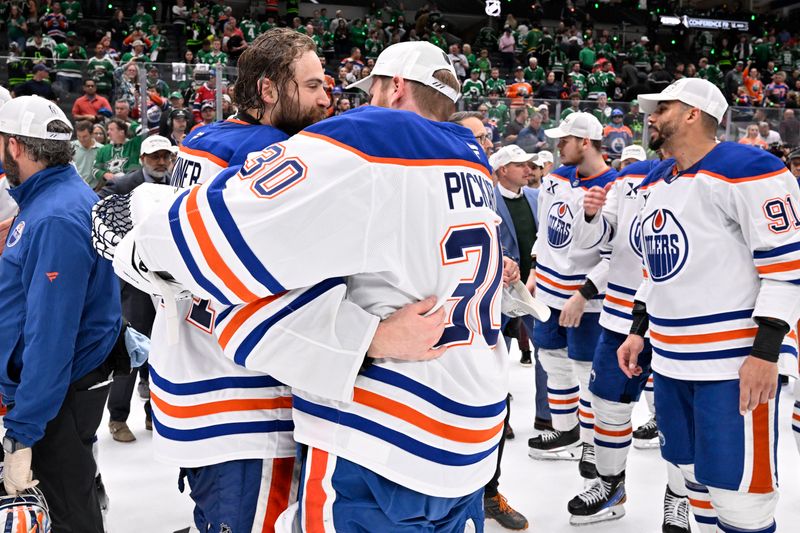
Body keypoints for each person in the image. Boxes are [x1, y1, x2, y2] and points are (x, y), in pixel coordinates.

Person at [111, 40, 506, 533]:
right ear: (268, 90)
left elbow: (190, 252)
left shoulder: (204, 141)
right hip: (454, 433)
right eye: (316, 85)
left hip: (357, 428)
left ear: (395, 88)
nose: (331, 101)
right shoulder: (473, 159)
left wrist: (137, 227)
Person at [618, 77, 800, 533]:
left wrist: (765, 354)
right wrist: (639, 329)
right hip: (672, 360)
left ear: (693, 113)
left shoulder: (750, 168)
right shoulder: (657, 178)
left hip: (732, 365)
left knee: (740, 495)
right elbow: (655, 269)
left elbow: (786, 267)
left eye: (661, 108)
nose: (651, 117)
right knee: (692, 475)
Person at [0, 95, 121, 532]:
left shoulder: (54, 216)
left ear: (14, 146)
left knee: (68, 510)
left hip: (57, 398)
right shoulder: (51, 197)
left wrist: (23, 429)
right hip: (58, 392)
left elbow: (51, 337)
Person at [566, 154, 691, 530]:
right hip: (621, 316)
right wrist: (592, 216)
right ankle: (610, 487)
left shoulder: (710, 178)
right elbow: (601, 244)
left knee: (675, 416)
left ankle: (680, 496)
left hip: (679, 319)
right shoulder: (628, 179)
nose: (653, 119)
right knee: (607, 406)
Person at [527, 113, 617, 487]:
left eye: (564, 140)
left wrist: (584, 294)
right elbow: (546, 232)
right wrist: (534, 268)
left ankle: (593, 442)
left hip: (587, 300)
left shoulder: (616, 186)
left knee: (585, 371)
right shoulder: (555, 177)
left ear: (585, 142)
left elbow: (619, 256)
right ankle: (565, 429)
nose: (556, 145)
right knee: (551, 360)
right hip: (548, 291)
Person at [99, 135, 178, 443]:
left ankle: (152, 413)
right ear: (143, 158)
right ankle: (118, 417)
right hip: (135, 283)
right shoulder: (123, 185)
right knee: (132, 348)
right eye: (154, 156)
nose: (160, 162)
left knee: (162, 349)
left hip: (169, 281)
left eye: (165, 156)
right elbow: (97, 208)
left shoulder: (177, 181)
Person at [71, 120, 104, 188]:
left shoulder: (101, 149)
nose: (81, 139)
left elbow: (104, 172)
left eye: (85, 136)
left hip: (94, 190)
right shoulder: (71, 146)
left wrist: (98, 189)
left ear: (92, 134)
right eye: (79, 136)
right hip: (75, 188)